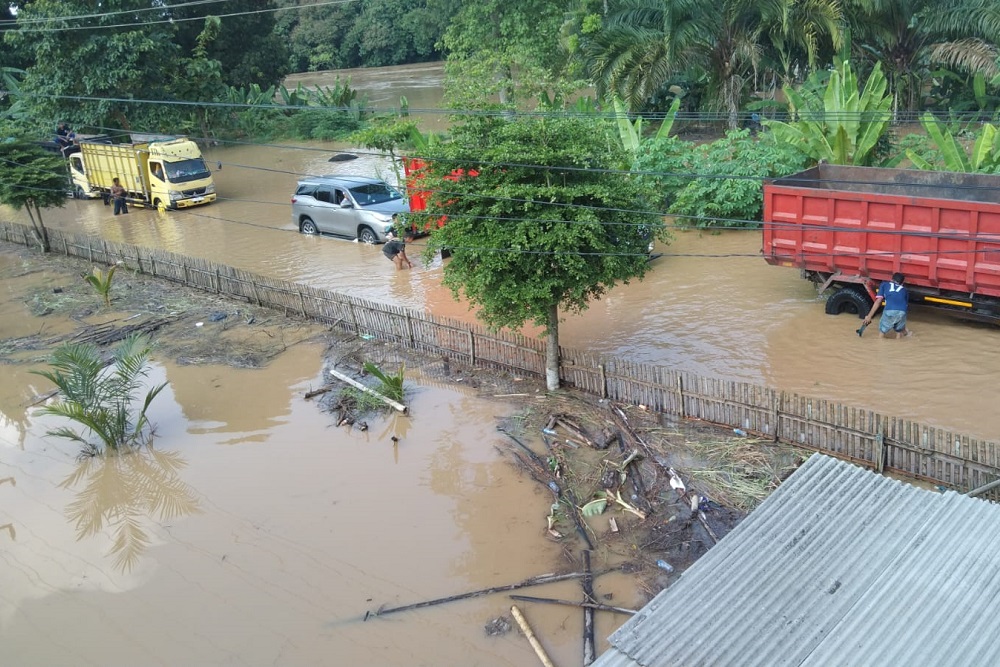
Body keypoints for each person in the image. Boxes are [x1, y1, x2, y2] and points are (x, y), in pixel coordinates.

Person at [863, 272, 911, 338]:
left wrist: (869, 316)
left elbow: (878, 302)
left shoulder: (884, 285)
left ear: (891, 279)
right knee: (899, 332)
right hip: (902, 311)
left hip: (889, 310)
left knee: (882, 331)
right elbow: (905, 306)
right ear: (902, 283)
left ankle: (879, 345)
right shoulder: (904, 290)